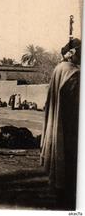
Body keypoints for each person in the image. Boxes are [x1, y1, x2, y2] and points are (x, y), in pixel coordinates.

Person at [40, 38, 81, 210]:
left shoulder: (59, 69)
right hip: (70, 129)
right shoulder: (74, 73)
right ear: (72, 54)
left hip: (59, 125)